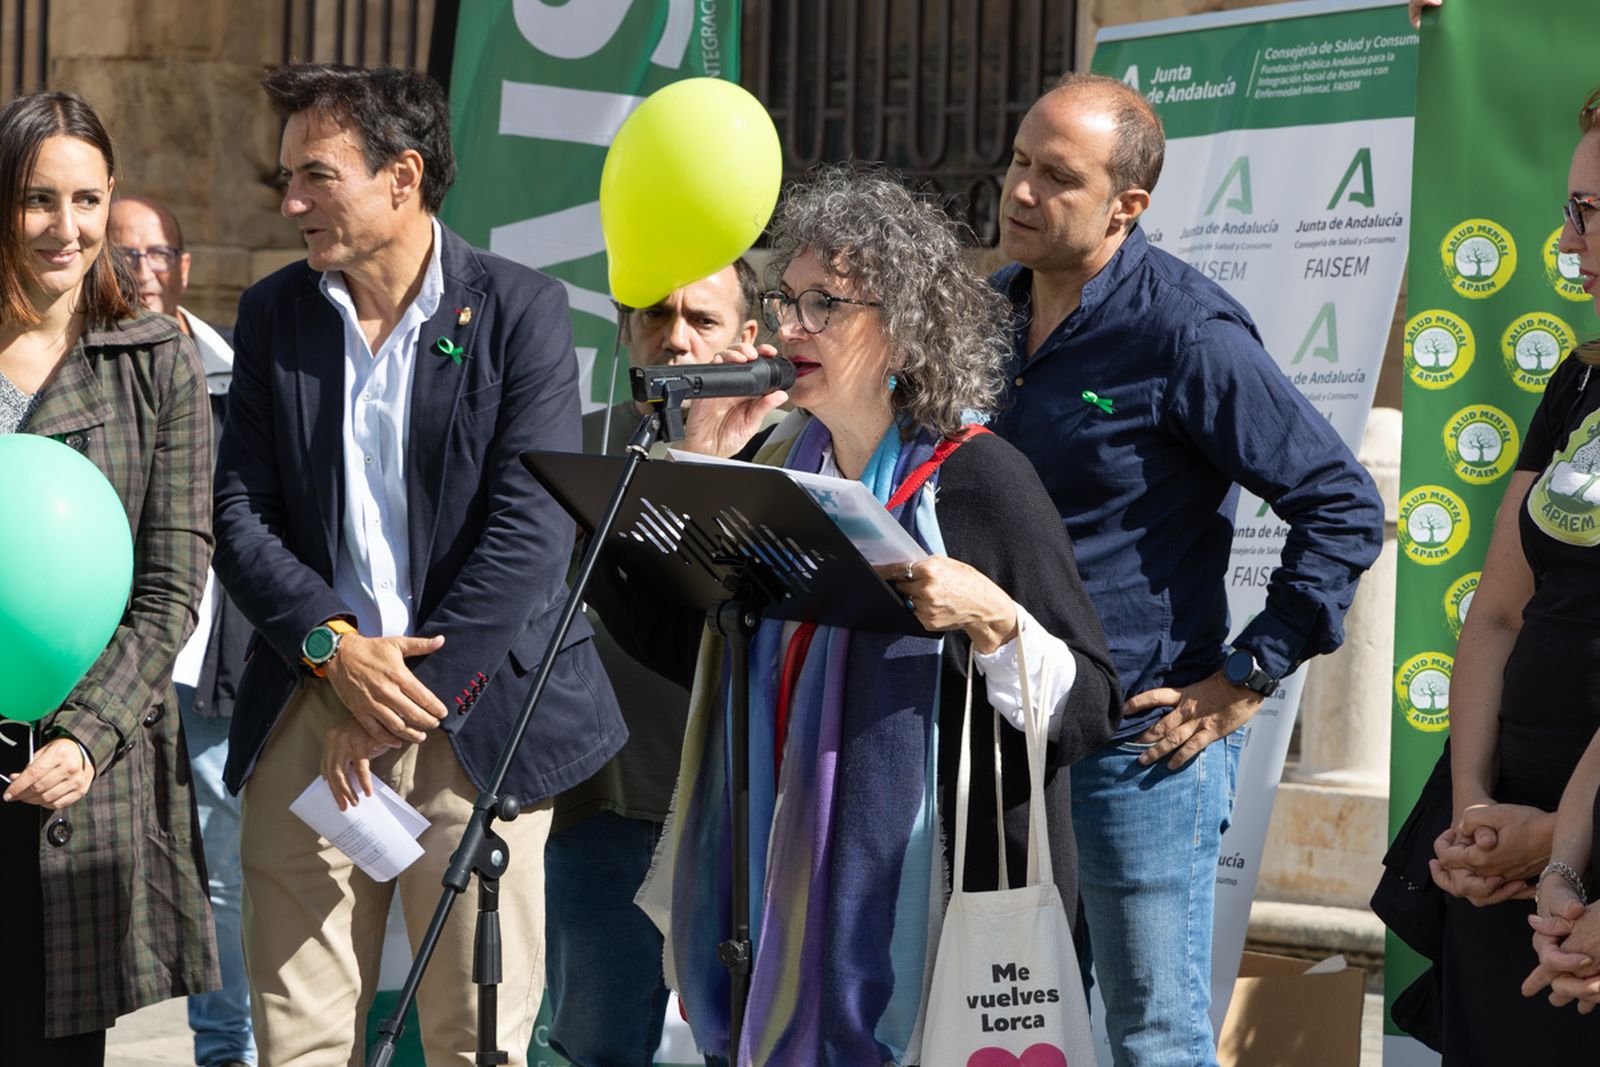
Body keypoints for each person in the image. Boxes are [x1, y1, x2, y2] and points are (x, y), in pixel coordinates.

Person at [595, 164, 1121, 1064]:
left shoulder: (980, 481)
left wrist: (993, 619)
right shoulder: (784, 462)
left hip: (938, 914)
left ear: (906, 329)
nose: (792, 327)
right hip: (775, 898)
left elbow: (1093, 707)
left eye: (824, 307)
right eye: (790, 300)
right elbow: (696, 659)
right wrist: (681, 500)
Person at [211, 64, 624, 1066]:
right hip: (313, 710)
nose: (292, 201)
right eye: (286, 179)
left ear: (402, 177)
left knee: (473, 1038)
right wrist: (334, 652)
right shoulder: (275, 314)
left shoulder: (519, 310)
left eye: (316, 175)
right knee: (298, 1039)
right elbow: (239, 517)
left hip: (469, 717)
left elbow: (532, 533)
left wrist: (405, 697)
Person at [989, 73, 1384, 1066]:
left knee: (1153, 1035)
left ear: (1127, 207)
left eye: (1055, 176)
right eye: (1017, 161)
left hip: (1134, 749)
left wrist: (1247, 675)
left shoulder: (1185, 334)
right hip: (994, 737)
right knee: (1003, 1027)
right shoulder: (987, 313)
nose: (1019, 190)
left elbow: (1342, 504)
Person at [0, 90, 217, 1064]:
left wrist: (87, 737)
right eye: (39, 198)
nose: (66, 227)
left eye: (87, 200)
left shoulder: (155, 360)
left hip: (72, 792)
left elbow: (173, 577)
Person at [544, 261, 759, 1066]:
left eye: (703, 320)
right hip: (605, 812)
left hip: (748, 817)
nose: (677, 338)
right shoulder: (579, 450)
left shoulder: (798, 453)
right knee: (597, 1048)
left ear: (748, 339)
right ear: (624, 330)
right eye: (655, 316)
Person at [1425, 85, 1600, 1058]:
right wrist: (1473, 815)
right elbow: (1496, 612)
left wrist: (1567, 843)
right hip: (1507, 870)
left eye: (1587, 213)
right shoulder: (1576, 376)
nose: (1566, 242)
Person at [109, 194, 255, 1067]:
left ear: (185, 266)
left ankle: (224, 1047)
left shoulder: (238, 378)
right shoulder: (79, 369)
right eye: (123, 259)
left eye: (156, 254)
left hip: (206, 670)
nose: (141, 273)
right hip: (101, 663)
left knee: (223, 874)